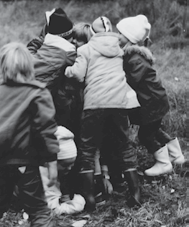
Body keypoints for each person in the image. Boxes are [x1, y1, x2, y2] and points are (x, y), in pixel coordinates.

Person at [0, 42, 59, 227]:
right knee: (38, 209)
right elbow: (46, 127)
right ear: (30, 66)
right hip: (24, 160)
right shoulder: (37, 92)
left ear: (3, 67)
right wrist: (51, 160)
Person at [64, 16, 142, 211]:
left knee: (88, 148)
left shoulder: (85, 49)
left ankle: (90, 198)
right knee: (124, 145)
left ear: (93, 32)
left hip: (95, 103)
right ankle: (136, 193)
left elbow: (79, 74)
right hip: (119, 103)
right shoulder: (118, 50)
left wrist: (67, 70)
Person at [116, 14, 186, 176]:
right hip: (156, 101)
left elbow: (132, 79)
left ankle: (163, 163)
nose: (116, 36)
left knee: (145, 135)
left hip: (151, 103)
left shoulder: (134, 59)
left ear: (128, 38)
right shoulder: (135, 55)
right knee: (156, 130)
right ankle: (177, 156)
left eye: (120, 33)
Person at [26, 8, 83, 142]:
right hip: (45, 99)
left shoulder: (44, 48)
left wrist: (39, 40)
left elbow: (29, 55)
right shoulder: (68, 53)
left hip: (28, 96)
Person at [39, 125, 86, 215]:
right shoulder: (44, 175)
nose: (69, 168)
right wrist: (78, 203)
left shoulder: (60, 173)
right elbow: (51, 209)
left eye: (72, 164)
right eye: (65, 165)